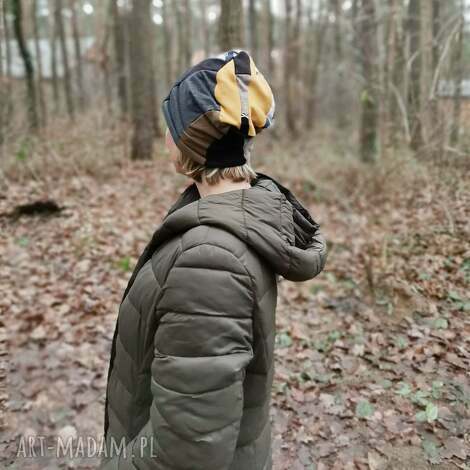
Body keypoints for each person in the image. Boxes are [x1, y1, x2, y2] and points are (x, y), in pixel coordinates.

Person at [100, 50, 327, 470]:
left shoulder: (209, 262)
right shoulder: (234, 217)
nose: (165, 135)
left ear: (192, 140)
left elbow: (186, 450)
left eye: (171, 124)